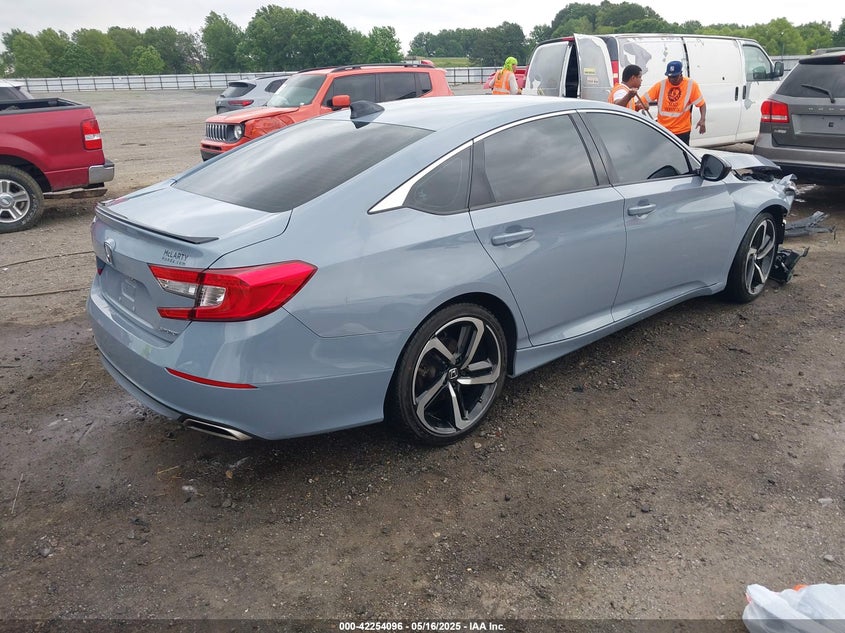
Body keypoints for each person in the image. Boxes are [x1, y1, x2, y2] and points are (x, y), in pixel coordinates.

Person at [646, 60, 706, 144]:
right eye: (669, 77)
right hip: (664, 131)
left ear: (681, 74)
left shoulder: (691, 85)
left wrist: (702, 119)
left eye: (674, 77)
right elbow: (642, 100)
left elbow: (702, 104)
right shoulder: (661, 85)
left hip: (682, 132)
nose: (671, 79)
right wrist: (643, 104)